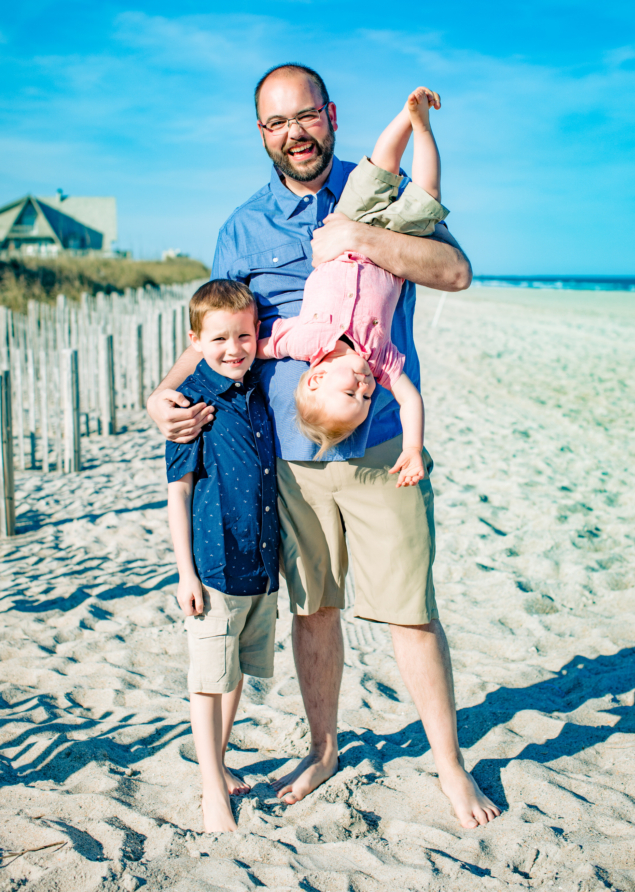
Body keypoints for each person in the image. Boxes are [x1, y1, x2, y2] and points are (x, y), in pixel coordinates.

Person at [149, 63, 501, 829]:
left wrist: (359, 236)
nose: (294, 134)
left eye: (305, 116)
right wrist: (162, 392)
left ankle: (449, 767)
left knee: (411, 615)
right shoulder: (242, 226)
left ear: (331, 115)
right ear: (261, 134)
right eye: (277, 123)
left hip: (381, 451)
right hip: (288, 461)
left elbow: (454, 271)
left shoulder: (379, 188)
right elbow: (220, 331)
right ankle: (322, 748)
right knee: (314, 612)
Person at [256, 87, 446, 479]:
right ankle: (424, 129)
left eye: (350, 392)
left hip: (346, 225)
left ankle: (405, 115)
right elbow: (410, 399)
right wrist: (413, 448)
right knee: (426, 195)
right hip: (391, 244)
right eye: (365, 398)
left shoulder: (303, 341)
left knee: (380, 170)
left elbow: (260, 346)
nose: (363, 387)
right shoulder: (380, 360)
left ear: (317, 379)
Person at [165, 279, 279, 833]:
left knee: (233, 673)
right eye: (218, 339)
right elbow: (179, 493)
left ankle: (221, 760)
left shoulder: (258, 390)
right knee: (208, 679)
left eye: (244, 336)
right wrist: (185, 573)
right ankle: (211, 786)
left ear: (257, 335)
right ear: (195, 341)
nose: (233, 349)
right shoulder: (190, 403)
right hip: (214, 567)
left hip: (260, 563)